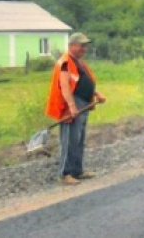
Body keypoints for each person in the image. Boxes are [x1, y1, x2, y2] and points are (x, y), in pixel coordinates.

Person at [45, 33, 107, 185]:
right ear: (72, 45)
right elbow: (65, 87)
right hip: (71, 104)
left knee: (79, 140)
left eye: (85, 46)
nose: (84, 49)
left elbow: (82, 82)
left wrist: (96, 93)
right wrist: (72, 106)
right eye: (81, 45)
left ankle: (77, 171)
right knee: (70, 141)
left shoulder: (78, 62)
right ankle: (65, 174)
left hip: (84, 104)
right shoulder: (65, 62)